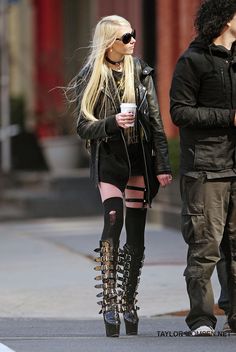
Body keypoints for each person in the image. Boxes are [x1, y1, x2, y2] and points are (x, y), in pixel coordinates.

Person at [70, 15, 172, 337]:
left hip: (139, 160)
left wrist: (164, 165)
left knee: (137, 237)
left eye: (133, 35)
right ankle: (110, 303)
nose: (132, 41)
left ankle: (128, 301)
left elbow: (156, 121)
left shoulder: (140, 71)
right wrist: (113, 122)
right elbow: (83, 127)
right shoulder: (91, 76)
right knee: (113, 222)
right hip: (110, 162)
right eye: (126, 37)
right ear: (109, 42)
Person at [170, 0, 236, 336]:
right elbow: (180, 112)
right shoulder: (192, 60)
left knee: (235, 249)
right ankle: (201, 319)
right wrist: (228, 117)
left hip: (234, 166)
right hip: (206, 170)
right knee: (205, 248)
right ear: (225, 20)